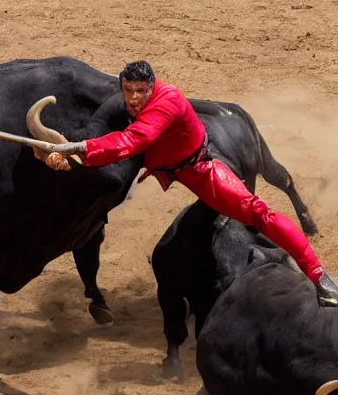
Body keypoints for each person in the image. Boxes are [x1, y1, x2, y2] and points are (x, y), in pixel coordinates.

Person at [39, 60, 338, 307]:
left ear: (152, 88)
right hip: (156, 161)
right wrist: (65, 154)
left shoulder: (167, 101)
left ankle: (319, 276)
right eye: (128, 90)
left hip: (198, 168)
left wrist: (80, 150)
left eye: (141, 91)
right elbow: (111, 137)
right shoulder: (128, 104)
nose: (133, 98)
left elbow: (132, 140)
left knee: (257, 212)